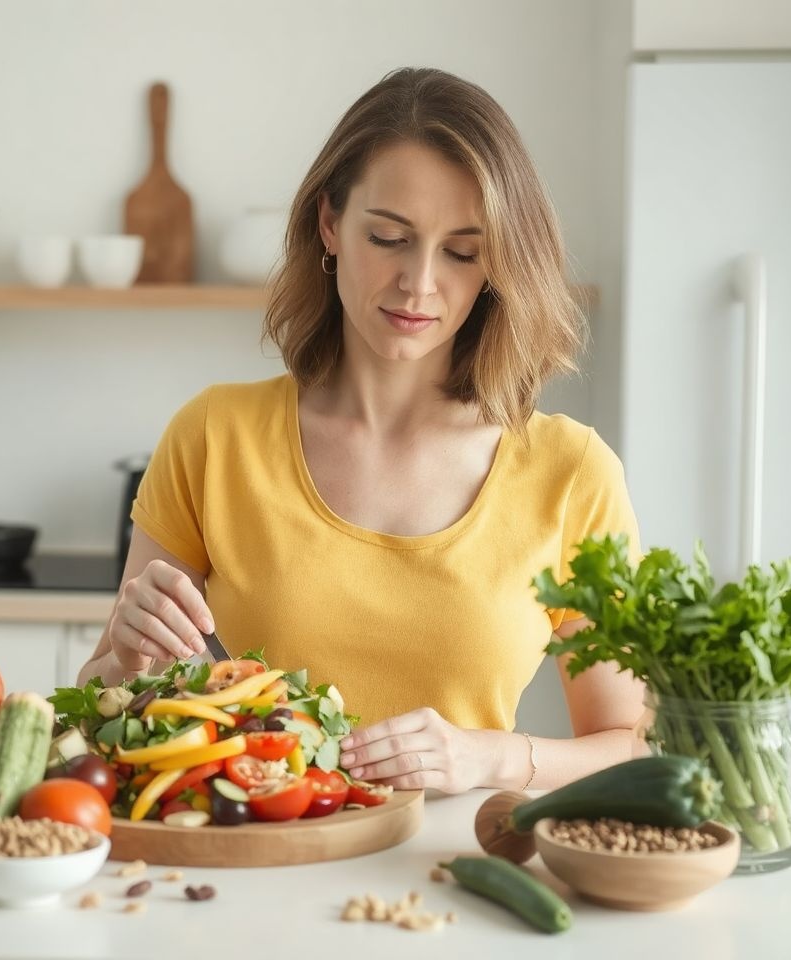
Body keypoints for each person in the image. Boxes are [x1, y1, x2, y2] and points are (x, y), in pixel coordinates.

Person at [77, 67, 643, 795]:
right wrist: (124, 658)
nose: (419, 282)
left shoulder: (572, 474)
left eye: (462, 252)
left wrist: (494, 758)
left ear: (497, 265)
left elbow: (638, 746)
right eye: (389, 237)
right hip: (250, 874)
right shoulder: (214, 436)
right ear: (330, 224)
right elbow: (98, 718)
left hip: (448, 884)